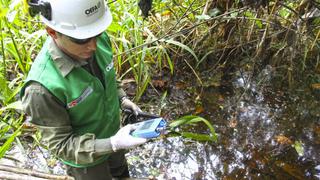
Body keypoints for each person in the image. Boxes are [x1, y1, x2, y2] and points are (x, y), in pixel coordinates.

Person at [20, 0, 147, 179]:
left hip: (115, 134)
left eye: (97, 33)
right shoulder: (40, 89)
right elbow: (61, 145)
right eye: (81, 40)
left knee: (121, 173)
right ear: (52, 32)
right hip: (86, 163)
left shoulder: (96, 37)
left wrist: (122, 99)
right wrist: (111, 144)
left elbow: (109, 77)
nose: (94, 46)